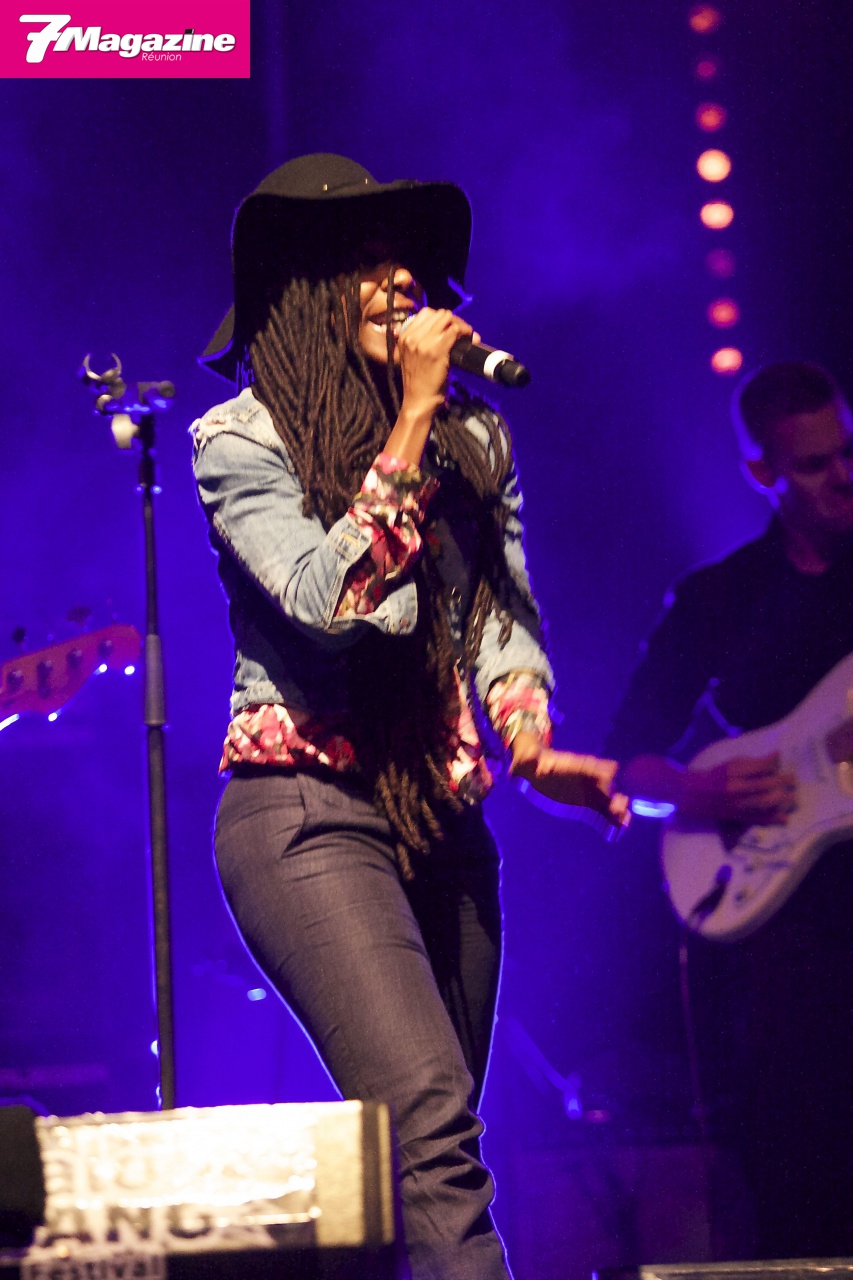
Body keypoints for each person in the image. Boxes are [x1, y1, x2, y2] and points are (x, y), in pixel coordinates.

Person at [192, 153, 626, 1280]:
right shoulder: (239, 438)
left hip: (438, 819)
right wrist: (417, 415)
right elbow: (328, 601)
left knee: (420, 1157)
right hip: (305, 813)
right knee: (429, 1124)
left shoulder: (476, 442)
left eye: (407, 263)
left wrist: (527, 738)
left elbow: (498, 615)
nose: (399, 283)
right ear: (305, 289)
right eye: (365, 262)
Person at [607, 359, 853, 1259]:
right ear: (761, 472)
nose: (843, 476)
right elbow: (622, 761)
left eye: (849, 452)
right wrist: (701, 790)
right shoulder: (720, 597)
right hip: (788, 945)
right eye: (815, 464)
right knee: (803, 1177)